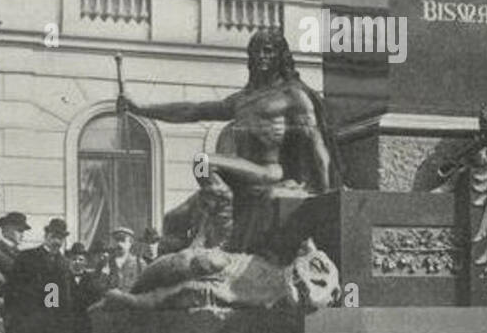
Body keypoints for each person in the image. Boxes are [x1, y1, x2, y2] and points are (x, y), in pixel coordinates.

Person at [119, 27, 338, 254]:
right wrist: (141, 109)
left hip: (268, 172)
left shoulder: (292, 95)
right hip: (238, 178)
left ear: (280, 55)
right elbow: (192, 110)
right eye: (256, 51)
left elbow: (316, 143)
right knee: (173, 219)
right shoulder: (242, 99)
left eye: (268, 51)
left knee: (203, 162)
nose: (261, 56)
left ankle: (224, 232)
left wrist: (327, 194)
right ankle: (215, 208)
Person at [6, 218, 71, 333]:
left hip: (53, 326)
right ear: (46, 235)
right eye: (54, 237)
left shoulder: (64, 264)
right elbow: (13, 290)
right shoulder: (27, 258)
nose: (57, 242)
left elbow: (63, 298)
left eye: (61, 238)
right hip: (28, 323)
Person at [66, 241, 104, 333]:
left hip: (86, 324)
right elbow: (51, 302)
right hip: (66, 323)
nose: (77, 262)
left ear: (86, 262)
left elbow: (98, 301)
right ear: (69, 260)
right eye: (74, 259)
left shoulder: (92, 280)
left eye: (80, 259)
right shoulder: (61, 278)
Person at [105, 226, 140, 294]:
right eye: (117, 240)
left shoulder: (138, 263)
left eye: (123, 240)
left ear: (130, 243)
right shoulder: (107, 262)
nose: (119, 244)